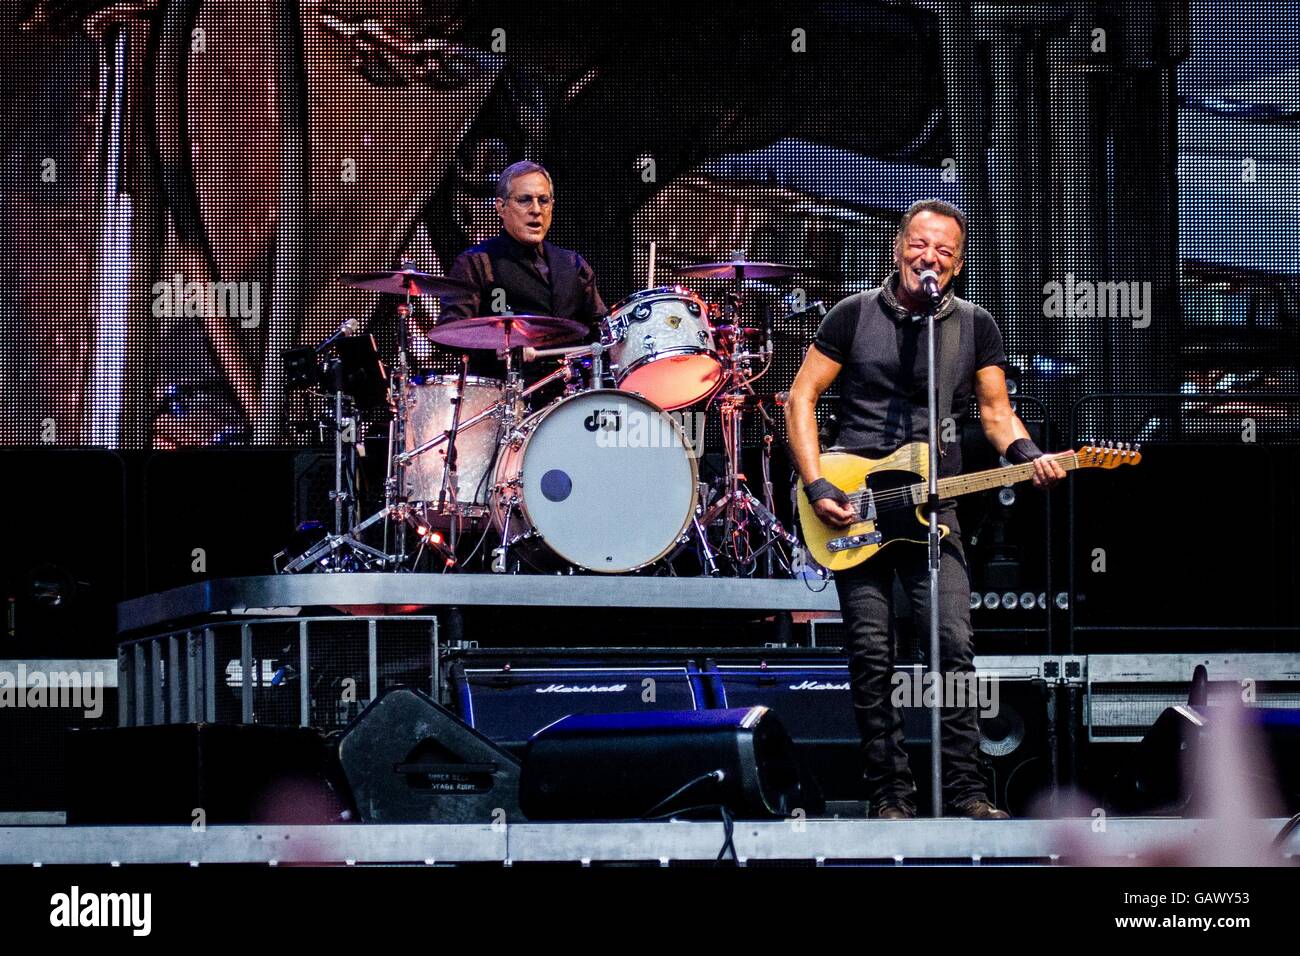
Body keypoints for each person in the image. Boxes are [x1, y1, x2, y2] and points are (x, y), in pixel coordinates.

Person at [784, 199, 1066, 819]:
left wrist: (1029, 454)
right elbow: (801, 398)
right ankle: (890, 795)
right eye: (919, 243)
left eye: (943, 249)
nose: (928, 256)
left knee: (950, 647)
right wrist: (815, 485)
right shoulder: (852, 314)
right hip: (855, 504)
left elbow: (995, 413)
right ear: (897, 247)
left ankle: (965, 790)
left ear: (958, 264)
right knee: (870, 652)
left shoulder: (973, 326)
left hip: (934, 511)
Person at [435, 161, 606, 379]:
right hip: (506, 396)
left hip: (570, 397)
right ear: (501, 207)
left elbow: (601, 330)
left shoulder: (574, 264)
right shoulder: (477, 263)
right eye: (524, 200)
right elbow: (451, 332)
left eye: (543, 201)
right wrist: (499, 345)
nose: (536, 210)